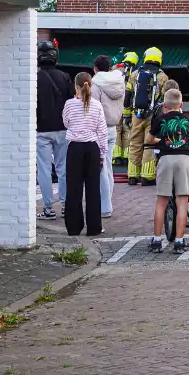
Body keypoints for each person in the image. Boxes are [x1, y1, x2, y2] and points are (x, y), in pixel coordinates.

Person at [146, 88, 189, 254]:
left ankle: (157, 241)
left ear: (164, 105)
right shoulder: (188, 119)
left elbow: (149, 140)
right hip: (184, 158)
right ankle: (179, 242)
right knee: (182, 201)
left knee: (162, 201)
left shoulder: (160, 119)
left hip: (166, 159)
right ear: (181, 104)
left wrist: (163, 141)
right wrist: (188, 140)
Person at [62, 72, 108, 237]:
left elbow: (66, 123)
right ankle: (94, 227)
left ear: (76, 85)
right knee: (93, 189)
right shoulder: (97, 106)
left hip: (74, 148)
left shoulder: (69, 104)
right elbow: (102, 131)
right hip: (92, 148)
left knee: (73, 188)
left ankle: (74, 227)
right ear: (91, 86)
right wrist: (102, 153)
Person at [36, 40, 71, 220]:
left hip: (41, 129)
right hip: (62, 128)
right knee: (63, 168)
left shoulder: (35, 78)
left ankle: (48, 208)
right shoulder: (64, 77)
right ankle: (65, 205)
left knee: (43, 168)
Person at [127, 47, 168, 186]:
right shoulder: (162, 76)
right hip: (153, 117)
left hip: (136, 114)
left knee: (135, 144)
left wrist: (128, 115)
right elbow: (165, 99)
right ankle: (147, 176)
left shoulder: (135, 74)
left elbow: (127, 97)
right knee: (149, 144)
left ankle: (132, 176)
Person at [91, 55, 125, 218]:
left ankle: (105, 207)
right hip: (113, 127)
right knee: (108, 167)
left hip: (99, 128)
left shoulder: (95, 83)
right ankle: (107, 203)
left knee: (101, 168)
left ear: (96, 68)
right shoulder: (119, 81)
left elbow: (92, 107)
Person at [112, 51, 138, 168]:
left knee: (117, 130)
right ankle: (127, 157)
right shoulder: (136, 72)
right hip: (128, 104)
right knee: (127, 129)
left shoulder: (115, 69)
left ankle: (116, 157)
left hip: (115, 104)